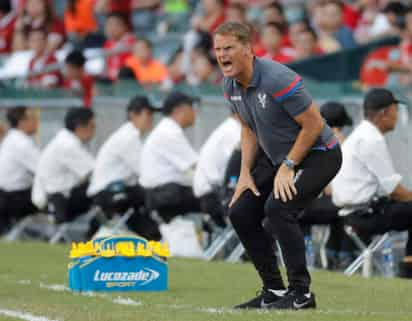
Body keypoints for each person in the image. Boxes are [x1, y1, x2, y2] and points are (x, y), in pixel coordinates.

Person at [214, 22, 342, 310]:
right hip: (281, 160)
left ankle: (302, 294)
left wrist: (288, 165)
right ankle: (273, 289)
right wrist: (246, 173)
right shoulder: (229, 85)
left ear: (247, 49)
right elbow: (248, 129)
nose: (222, 55)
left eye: (228, 48)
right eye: (218, 49)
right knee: (240, 212)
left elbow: (313, 125)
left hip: (320, 154)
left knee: (278, 208)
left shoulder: (277, 78)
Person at [332, 88, 412, 279]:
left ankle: (408, 267)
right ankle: (408, 273)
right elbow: (394, 190)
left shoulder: (362, 134)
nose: (396, 115)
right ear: (385, 113)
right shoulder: (371, 139)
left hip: (356, 210)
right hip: (363, 215)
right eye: (395, 110)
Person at [87, 95, 161, 240]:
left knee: (150, 195)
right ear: (133, 115)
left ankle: (153, 234)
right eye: (148, 114)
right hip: (108, 193)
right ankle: (156, 235)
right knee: (160, 195)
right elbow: (145, 172)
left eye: (152, 114)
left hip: (111, 191)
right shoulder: (129, 137)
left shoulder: (130, 135)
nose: (151, 118)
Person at [298, 101, 354, 269]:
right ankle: (340, 256)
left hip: (298, 203)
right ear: (342, 125)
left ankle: (310, 256)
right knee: (345, 209)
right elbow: (330, 189)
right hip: (322, 203)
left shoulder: (311, 139)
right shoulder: (343, 143)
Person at [140, 91, 200, 223]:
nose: (196, 113)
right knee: (216, 198)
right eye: (192, 108)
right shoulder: (169, 132)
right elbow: (198, 166)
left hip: (162, 193)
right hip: (165, 194)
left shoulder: (167, 129)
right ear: (179, 110)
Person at [32, 109, 95, 224]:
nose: (94, 131)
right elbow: (94, 171)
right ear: (80, 126)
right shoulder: (68, 145)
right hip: (57, 202)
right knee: (104, 190)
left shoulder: (66, 140)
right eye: (92, 126)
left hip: (57, 196)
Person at [193, 112, 241, 227]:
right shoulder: (234, 131)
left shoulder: (228, 127)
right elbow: (239, 163)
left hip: (212, 192)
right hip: (214, 194)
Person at [0, 106, 39, 234]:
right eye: (33, 118)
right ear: (22, 122)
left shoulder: (12, 139)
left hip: (7, 196)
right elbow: (44, 170)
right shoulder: (22, 144)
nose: (36, 121)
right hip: (14, 199)